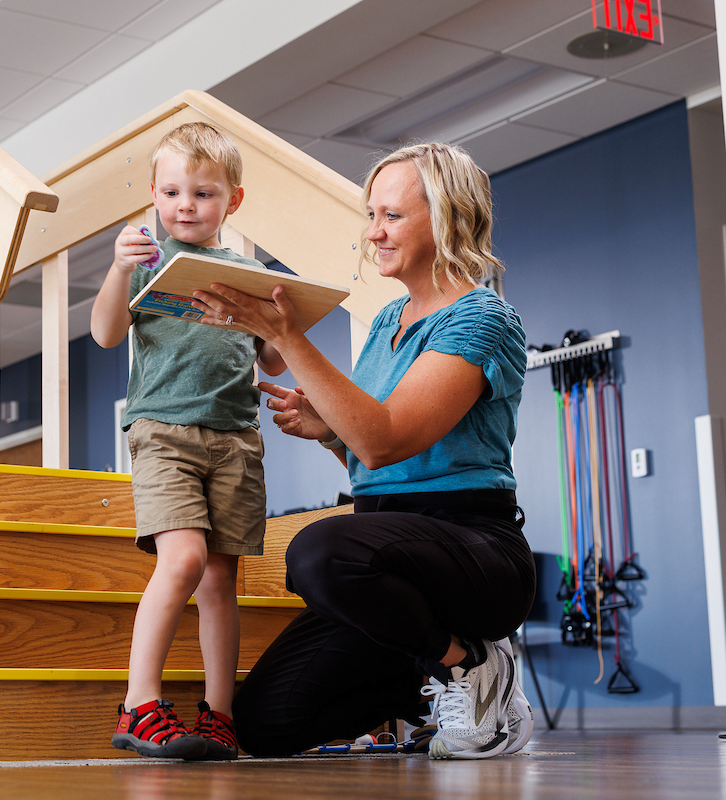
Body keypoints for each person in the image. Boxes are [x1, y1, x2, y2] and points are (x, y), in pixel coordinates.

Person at [189, 142, 535, 760]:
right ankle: (417, 679)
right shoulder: (387, 322)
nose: (373, 232)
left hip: (473, 550)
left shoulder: (482, 319)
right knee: (267, 725)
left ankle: (476, 663)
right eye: (370, 215)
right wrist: (328, 432)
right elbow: (368, 459)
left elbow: (382, 440)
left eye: (391, 216)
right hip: (388, 544)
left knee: (318, 552)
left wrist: (284, 335)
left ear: (448, 217)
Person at [90, 122, 287, 760]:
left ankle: (218, 716)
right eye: (172, 192)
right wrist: (119, 269)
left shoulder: (247, 273)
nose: (185, 206)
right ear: (153, 193)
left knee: (220, 579)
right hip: (162, 431)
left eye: (203, 194)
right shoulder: (146, 261)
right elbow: (104, 334)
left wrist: (279, 324)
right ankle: (138, 703)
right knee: (182, 560)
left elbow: (274, 361)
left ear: (232, 201)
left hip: (236, 438)